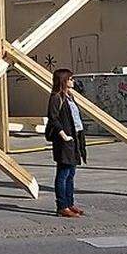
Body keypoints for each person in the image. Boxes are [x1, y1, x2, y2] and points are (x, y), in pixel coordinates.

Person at [47, 68, 88, 218]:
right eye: (70, 79)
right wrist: (63, 135)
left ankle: (70, 203)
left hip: (75, 137)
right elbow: (53, 118)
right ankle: (62, 206)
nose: (73, 81)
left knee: (71, 173)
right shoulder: (56, 98)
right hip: (65, 141)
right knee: (63, 173)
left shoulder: (70, 96)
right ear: (63, 80)